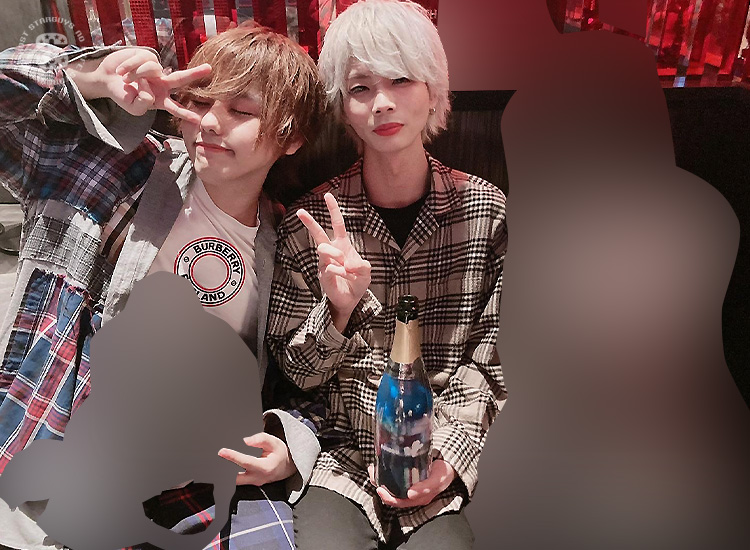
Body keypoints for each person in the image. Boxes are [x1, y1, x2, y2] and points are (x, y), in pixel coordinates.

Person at [0, 23, 325, 549]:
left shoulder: (288, 241)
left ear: (291, 138)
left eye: (240, 110)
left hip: (194, 487)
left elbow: (301, 379)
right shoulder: (113, 167)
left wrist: (288, 445)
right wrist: (92, 76)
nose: (209, 122)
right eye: (200, 101)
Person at [265, 1, 507, 548]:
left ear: (434, 91)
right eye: (360, 88)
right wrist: (338, 310)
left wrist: (448, 455)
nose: (382, 102)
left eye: (401, 79)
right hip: (342, 458)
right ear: (343, 107)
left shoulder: (485, 213)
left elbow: (495, 362)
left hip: (442, 447)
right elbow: (298, 375)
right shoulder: (311, 221)